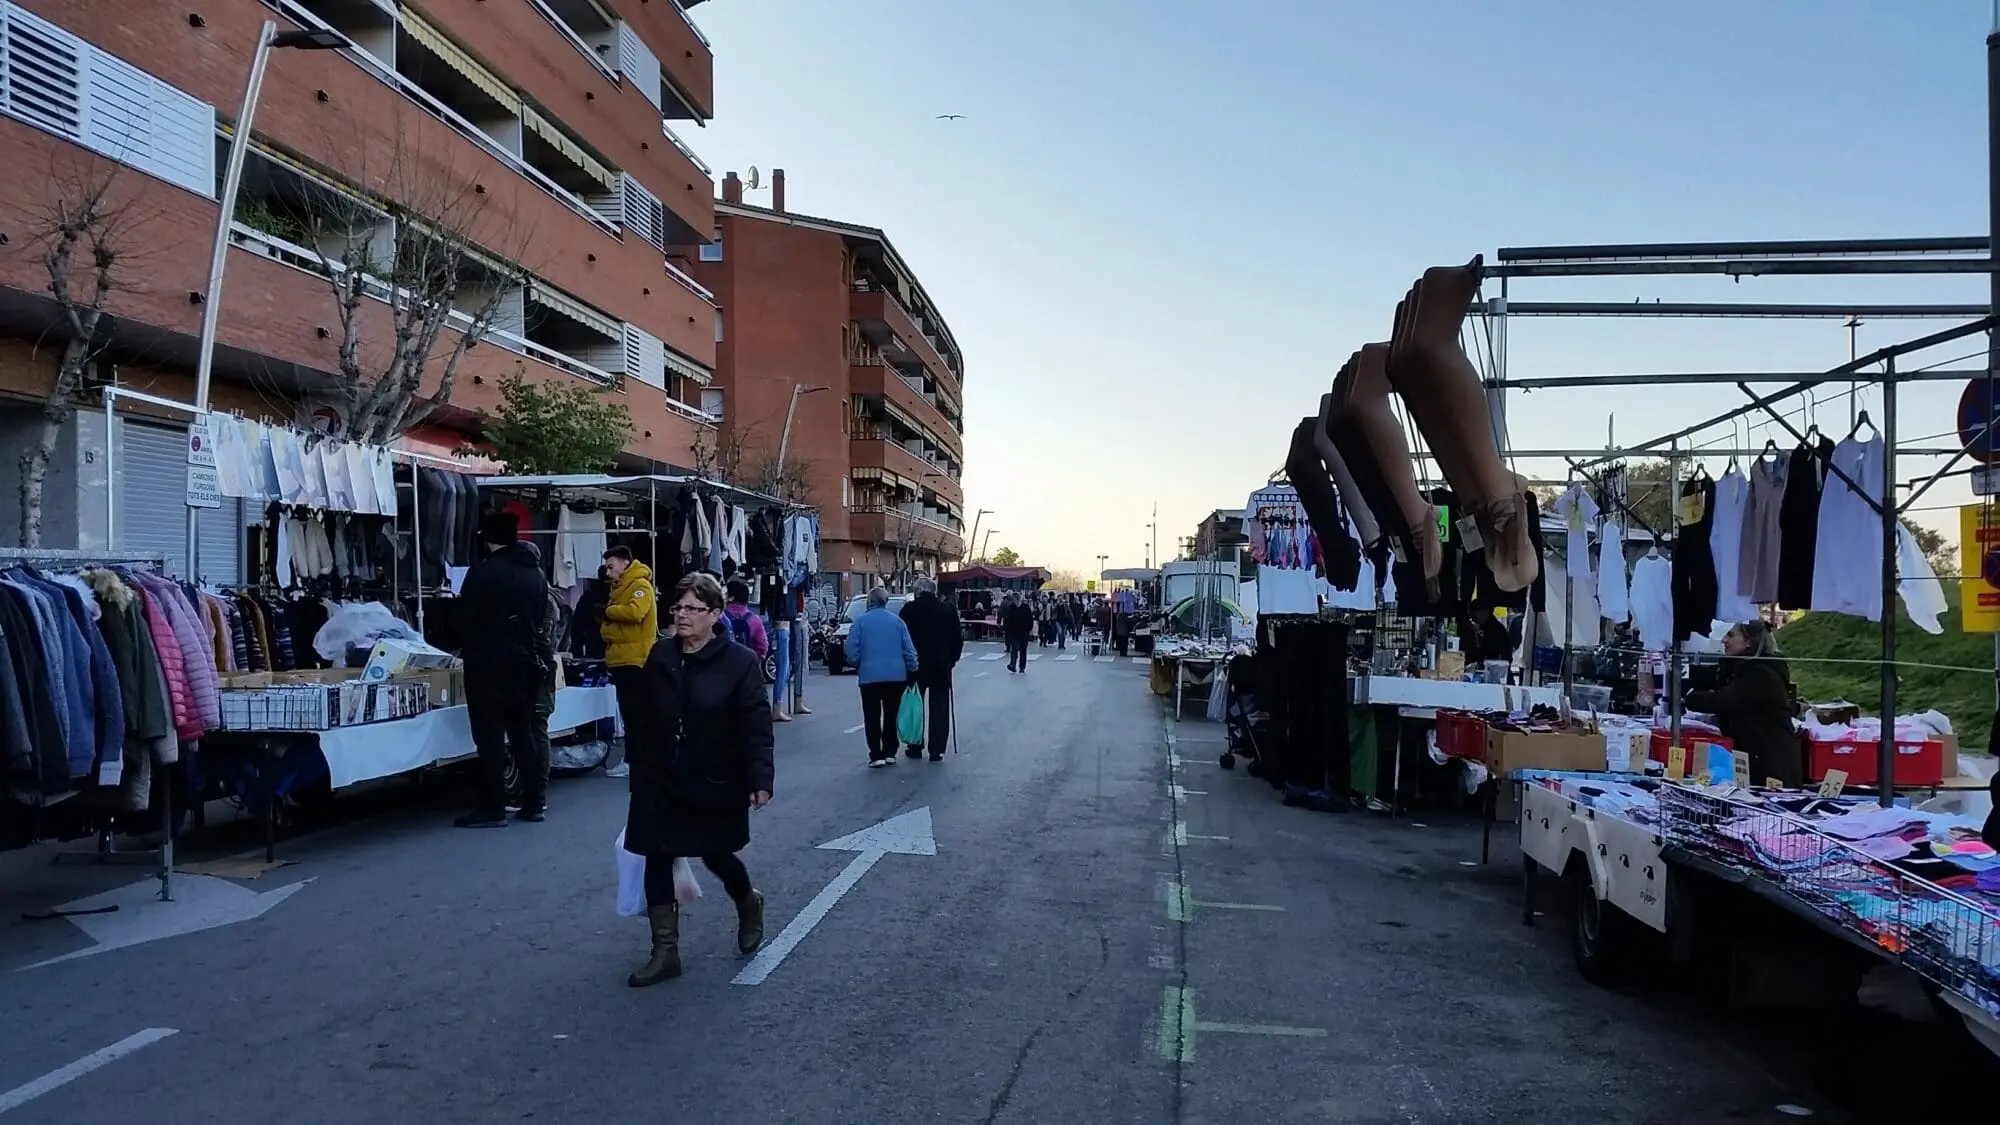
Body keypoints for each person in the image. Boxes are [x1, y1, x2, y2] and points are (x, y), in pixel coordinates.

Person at [624, 574, 774, 988]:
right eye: (678, 608)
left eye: (692, 608)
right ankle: (665, 952)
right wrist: (638, 762)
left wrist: (760, 778)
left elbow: (756, 725)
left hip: (714, 776)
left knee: (715, 854)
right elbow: (643, 717)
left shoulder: (739, 661)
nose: (682, 616)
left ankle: (748, 901)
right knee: (655, 854)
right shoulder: (660, 655)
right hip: (660, 776)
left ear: (715, 614)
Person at [455, 511, 551, 827]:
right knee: (522, 733)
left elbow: (464, 619)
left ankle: (493, 806)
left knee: (490, 738)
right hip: (525, 662)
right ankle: (534, 801)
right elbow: (539, 618)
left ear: (488, 538)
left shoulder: (483, 573)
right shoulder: (536, 575)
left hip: (487, 665)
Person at [1685, 618, 1802, 787]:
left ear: (1748, 641)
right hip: (1757, 756)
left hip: (1771, 763)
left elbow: (1724, 700)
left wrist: (1688, 697)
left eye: (1731, 635)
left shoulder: (1760, 674)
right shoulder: (1743, 668)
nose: (1724, 640)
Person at [844, 585, 918, 767]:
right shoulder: (898, 622)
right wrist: (912, 668)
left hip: (869, 677)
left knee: (872, 716)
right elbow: (909, 650)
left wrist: (857, 663)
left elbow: (851, 650)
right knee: (891, 714)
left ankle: (876, 754)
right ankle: (891, 751)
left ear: (869, 602)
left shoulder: (860, 622)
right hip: (895, 677)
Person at [601, 546, 658, 764]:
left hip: (634, 660)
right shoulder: (620, 587)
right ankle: (635, 758)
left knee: (635, 715)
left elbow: (635, 612)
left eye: (611, 567)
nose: (608, 573)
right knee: (631, 714)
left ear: (625, 563)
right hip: (622, 659)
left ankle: (635, 760)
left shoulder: (639, 585)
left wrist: (608, 611)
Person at [899, 578, 964, 761]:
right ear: (934, 591)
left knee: (915, 706)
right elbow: (957, 638)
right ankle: (937, 749)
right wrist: (952, 660)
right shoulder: (947, 609)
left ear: (918, 591)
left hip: (916, 666)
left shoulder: (909, 610)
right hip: (941, 665)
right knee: (940, 708)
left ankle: (915, 745)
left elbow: (902, 640)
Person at [721, 579, 771, 670]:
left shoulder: (719, 616)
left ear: (731, 597)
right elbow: (763, 646)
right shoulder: (754, 619)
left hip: (722, 667)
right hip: (745, 667)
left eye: (725, 594)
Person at [1001, 592, 1035, 673]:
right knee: (1014, 649)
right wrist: (1007, 630)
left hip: (1024, 632)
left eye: (1015, 600)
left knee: (1023, 650)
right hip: (1014, 632)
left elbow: (1030, 619)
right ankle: (1012, 665)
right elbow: (1007, 620)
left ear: (1019, 600)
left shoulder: (1025, 607)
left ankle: (1022, 667)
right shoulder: (1011, 608)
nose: (1014, 602)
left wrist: (1029, 629)